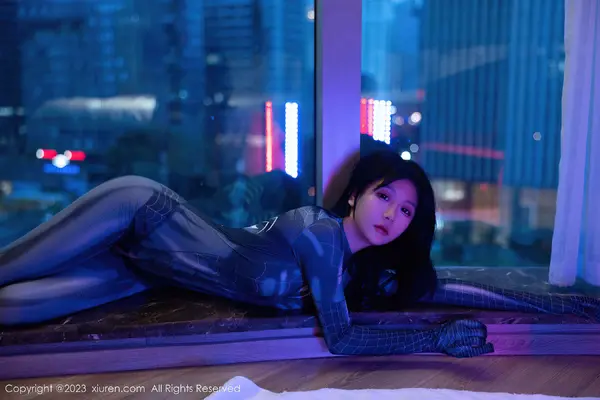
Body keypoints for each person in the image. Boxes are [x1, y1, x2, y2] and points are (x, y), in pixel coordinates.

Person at [0, 150, 596, 357]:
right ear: (356, 195)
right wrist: (434, 340)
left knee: (12, 308)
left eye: (406, 211)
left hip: (143, 272)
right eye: (384, 196)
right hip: (143, 213)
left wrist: (565, 306)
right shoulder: (318, 232)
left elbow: (446, 290)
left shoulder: (357, 269)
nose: (392, 215)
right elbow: (342, 340)